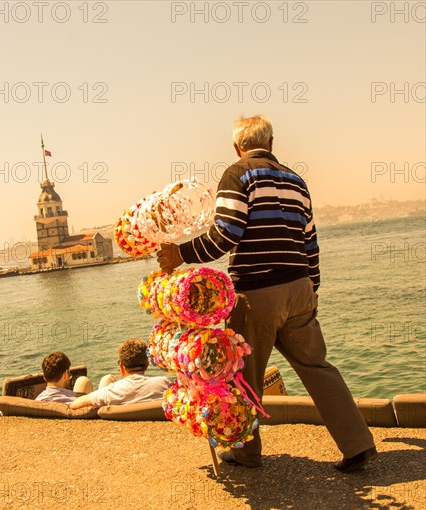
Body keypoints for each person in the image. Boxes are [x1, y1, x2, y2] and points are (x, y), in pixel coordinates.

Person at [157, 115, 377, 472]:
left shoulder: (237, 174)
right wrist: (312, 289)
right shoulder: (297, 180)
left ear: (236, 147)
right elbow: (310, 242)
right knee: (318, 368)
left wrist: (180, 254)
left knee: (242, 376)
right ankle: (358, 444)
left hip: (257, 293)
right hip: (300, 289)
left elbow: (226, 232)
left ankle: (246, 452)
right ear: (271, 144)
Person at [70, 338, 170, 410]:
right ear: (147, 364)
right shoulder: (163, 383)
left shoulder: (110, 392)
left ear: (121, 366)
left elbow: (74, 405)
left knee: (107, 379)